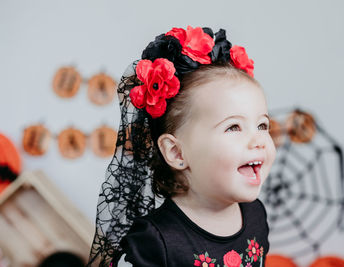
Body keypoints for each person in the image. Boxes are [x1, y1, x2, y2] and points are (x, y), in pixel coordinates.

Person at [88, 25, 276, 267]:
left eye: (262, 125)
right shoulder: (155, 241)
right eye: (234, 127)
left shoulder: (255, 215)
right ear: (177, 152)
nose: (258, 140)